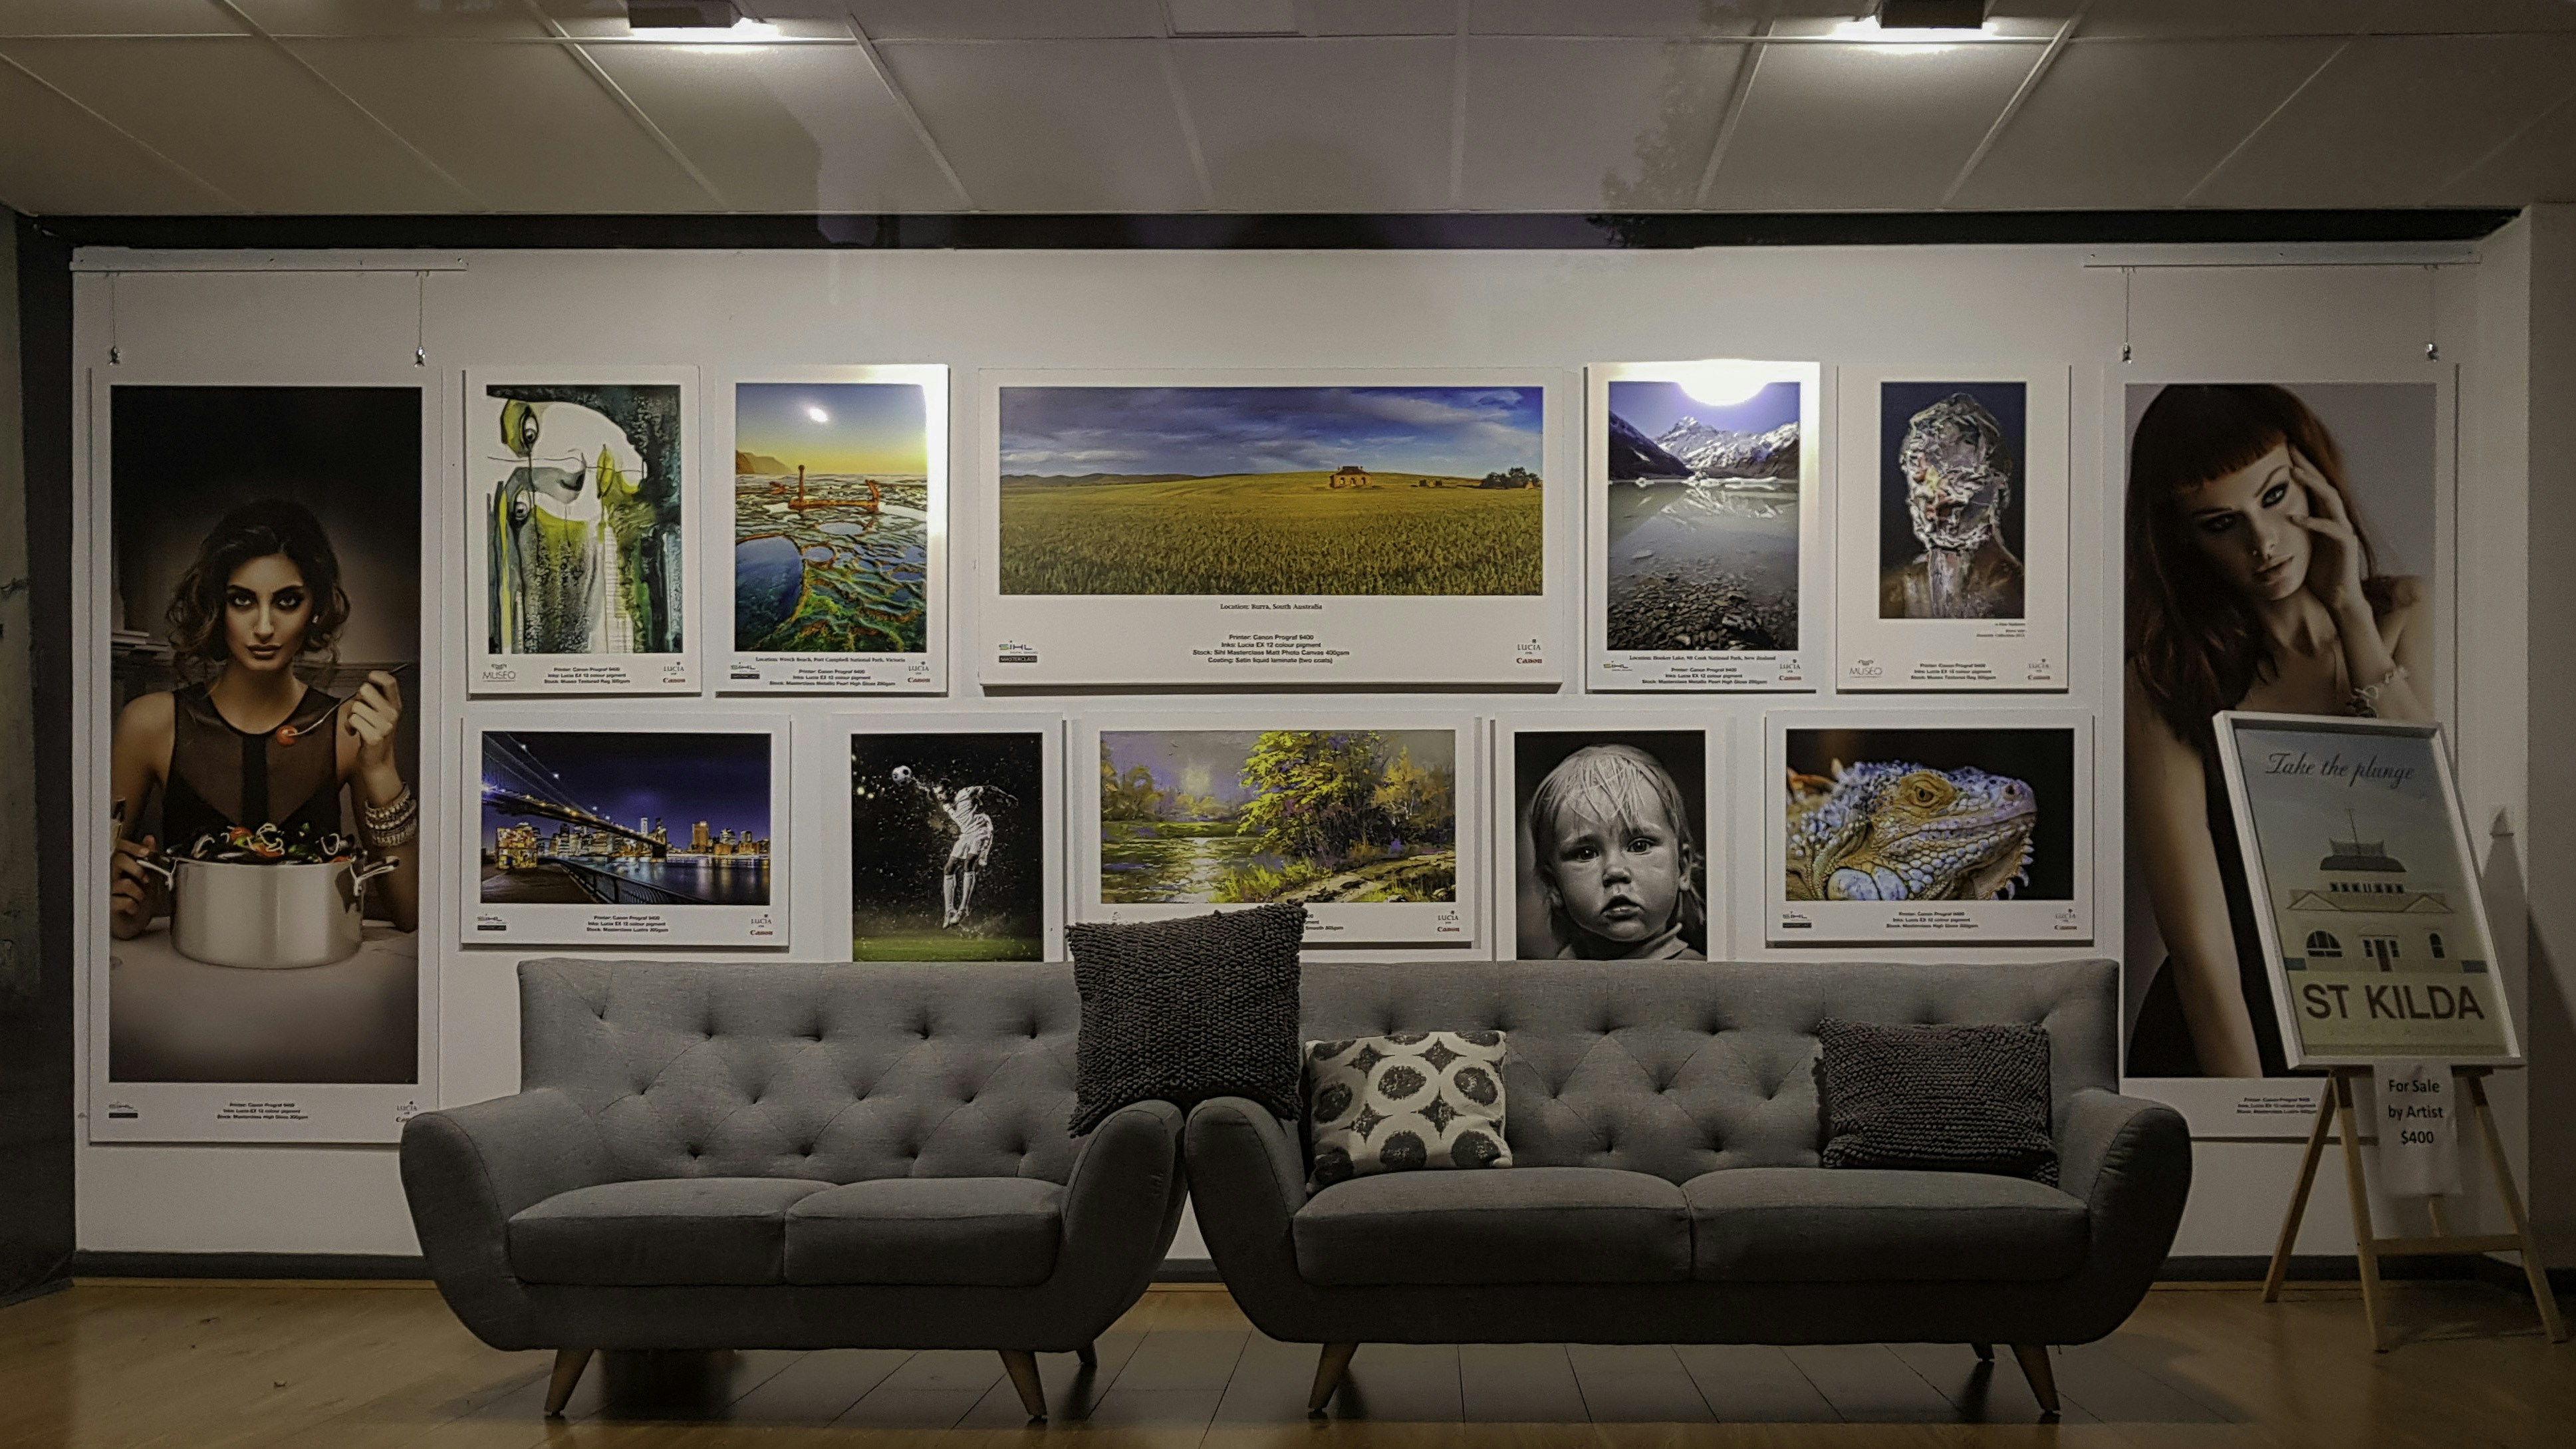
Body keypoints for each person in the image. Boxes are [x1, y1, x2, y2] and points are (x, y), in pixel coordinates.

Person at [2125, 385, 2430, 1077]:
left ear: (2313, 479)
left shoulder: (2407, 612)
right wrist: (2250, 1111)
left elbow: (2431, 823)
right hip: (2228, 1031)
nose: (2262, 545)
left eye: (2273, 497)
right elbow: (2200, 947)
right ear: (2182, 537)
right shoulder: (2166, 678)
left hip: (2389, 1002)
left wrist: (2351, 611)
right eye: (2219, 523)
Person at [109, 499, 418, 938]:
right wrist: (119, 899)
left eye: (287, 601)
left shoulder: (345, 728)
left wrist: (382, 769)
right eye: (243, 601)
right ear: (218, 608)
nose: (265, 627)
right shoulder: (150, 724)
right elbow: (95, 889)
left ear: (315, 608)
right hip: (191, 971)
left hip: (312, 968)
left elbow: (410, 912)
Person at [1525, 743, 1706, 960]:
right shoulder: (1545, 981)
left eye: (1639, 846)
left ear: (1682, 867)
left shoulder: (1703, 978)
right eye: (1586, 854)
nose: (1615, 870)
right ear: (1553, 885)